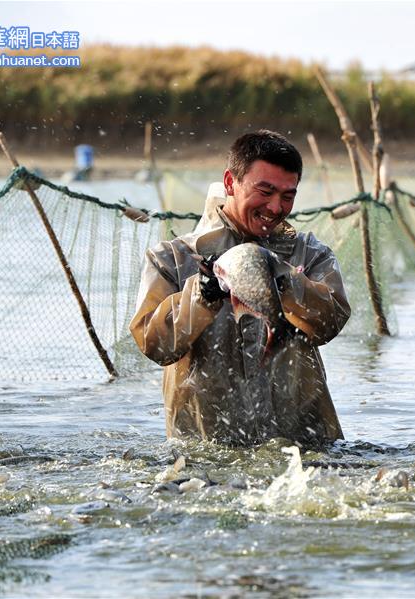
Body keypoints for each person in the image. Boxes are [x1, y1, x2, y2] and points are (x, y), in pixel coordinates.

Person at [130, 130, 351, 447]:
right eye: (265, 191)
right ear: (230, 183)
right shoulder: (170, 259)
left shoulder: (311, 255)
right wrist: (202, 295)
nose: (276, 207)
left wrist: (279, 277)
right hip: (204, 450)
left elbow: (329, 324)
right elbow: (155, 346)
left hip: (305, 448)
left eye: (288, 196)